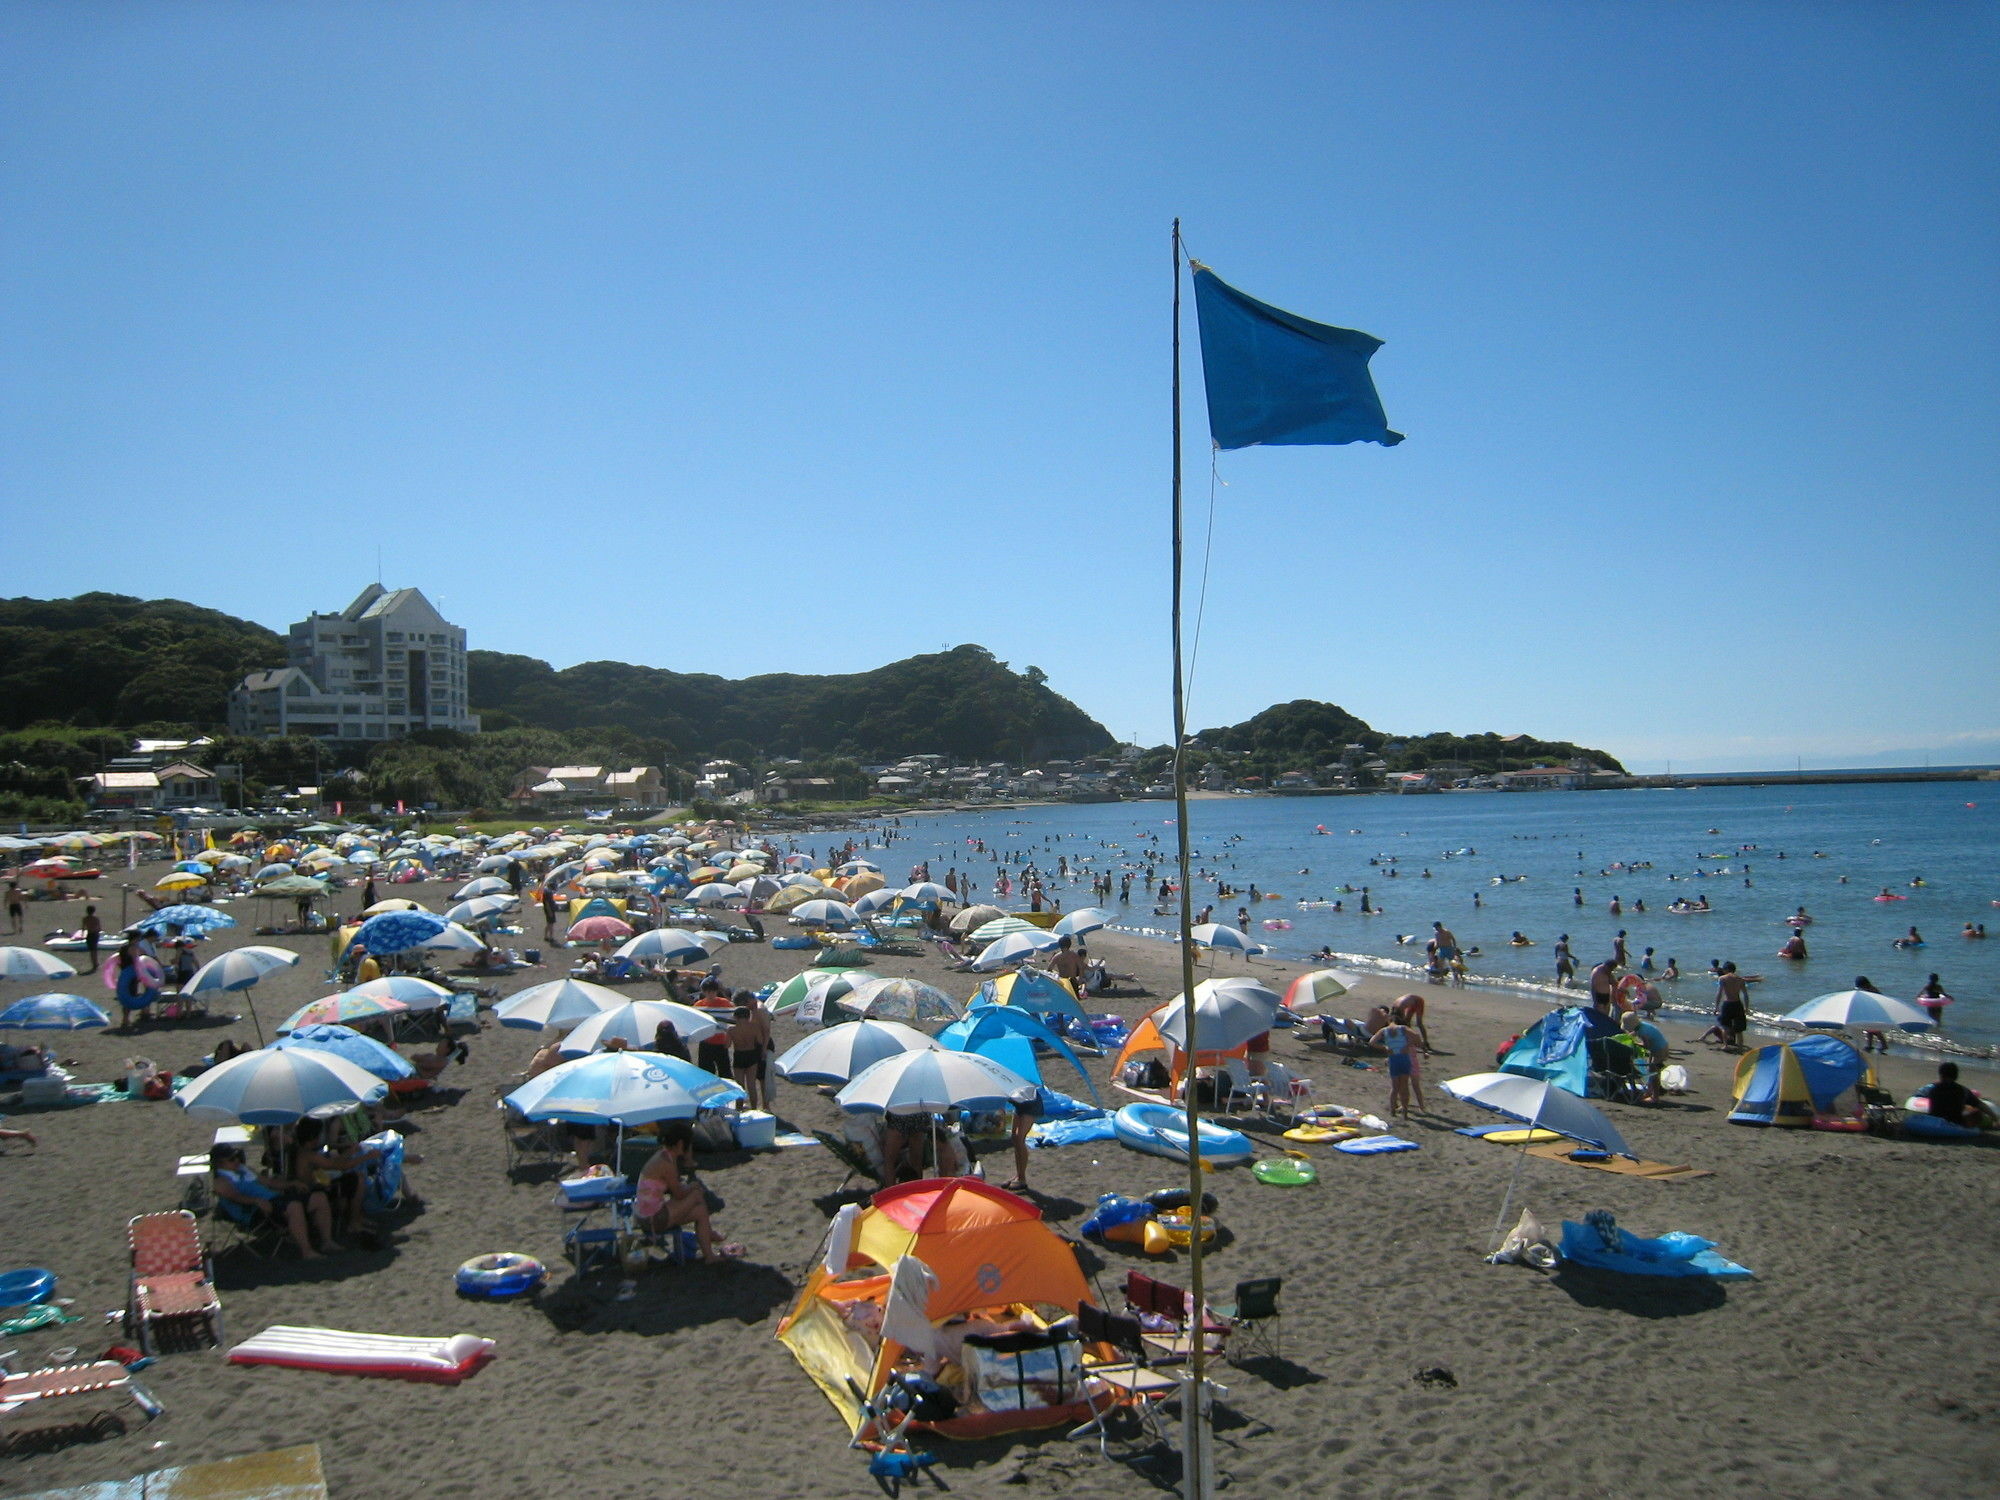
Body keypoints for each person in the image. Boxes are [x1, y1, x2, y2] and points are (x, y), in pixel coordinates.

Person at [633, 1120, 741, 1261]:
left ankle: (709, 1255)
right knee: (696, 1194)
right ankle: (709, 1234)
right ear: (680, 1144)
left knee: (700, 1211)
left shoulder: (663, 1155)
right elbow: (678, 1194)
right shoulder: (666, 1163)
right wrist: (692, 1187)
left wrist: (690, 1187)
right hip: (652, 1219)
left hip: (646, 1214)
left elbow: (675, 1192)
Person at [210, 1142, 335, 1259]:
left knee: (319, 1198)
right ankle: (306, 1251)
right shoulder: (221, 1180)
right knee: (293, 1206)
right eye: (231, 1159)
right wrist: (256, 1201)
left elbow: (269, 1182)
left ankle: (327, 1242)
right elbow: (234, 1197)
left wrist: (291, 1183)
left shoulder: (244, 1170)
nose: (237, 1160)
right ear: (219, 1163)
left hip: (273, 1200)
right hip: (253, 1210)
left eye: (237, 1156)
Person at [1369, 1011, 1424, 1119]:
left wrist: (1385, 1048)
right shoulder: (1403, 1029)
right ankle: (1405, 1112)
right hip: (1404, 1058)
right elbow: (1417, 1037)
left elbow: (1372, 1042)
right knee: (1404, 1086)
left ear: (1389, 1021)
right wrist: (1408, 1045)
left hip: (1393, 1058)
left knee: (1395, 1087)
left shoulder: (1384, 1031)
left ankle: (1392, 1111)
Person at [1619, 1011, 1669, 1102]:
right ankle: (1649, 1092)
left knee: (1653, 1072)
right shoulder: (1642, 1025)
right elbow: (1635, 1032)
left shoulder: (1642, 1032)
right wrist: (1628, 1036)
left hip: (1659, 1050)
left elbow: (1647, 1046)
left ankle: (1655, 1096)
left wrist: (1635, 1043)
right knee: (1651, 1070)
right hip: (1661, 1046)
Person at [727, 1003, 765, 1110]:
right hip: (751, 1055)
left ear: (736, 1017)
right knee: (751, 1085)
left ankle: (738, 1109)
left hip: (739, 1055)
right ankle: (754, 1109)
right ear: (748, 1016)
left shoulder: (731, 1030)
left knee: (739, 1086)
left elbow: (727, 1045)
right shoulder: (754, 1028)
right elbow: (760, 1041)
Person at [1003, 1090, 1042, 1192]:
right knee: (1014, 1138)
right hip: (1019, 1105)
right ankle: (1018, 1174)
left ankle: (1022, 1179)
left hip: (1031, 1104)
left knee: (1020, 1139)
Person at [1923, 1063, 1982, 1129]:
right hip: (1955, 1122)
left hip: (1934, 1120)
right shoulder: (1962, 1090)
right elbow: (1979, 1105)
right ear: (1956, 1076)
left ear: (1940, 1075)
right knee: (1976, 1111)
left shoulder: (1933, 1088)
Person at [1714, 962, 1750, 1050]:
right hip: (1737, 1004)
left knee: (1725, 1026)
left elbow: (1719, 993)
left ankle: (1726, 1045)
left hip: (1727, 1003)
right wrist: (1746, 1007)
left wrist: (1716, 1006)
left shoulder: (1722, 978)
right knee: (1739, 1029)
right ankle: (1740, 1047)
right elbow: (1745, 994)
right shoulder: (1740, 979)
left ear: (1726, 969)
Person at [82, 904, 102, 968]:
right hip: (95, 934)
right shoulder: (96, 918)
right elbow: (99, 927)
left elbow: (83, 928)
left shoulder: (85, 919)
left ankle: (94, 963)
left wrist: (82, 935)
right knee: (95, 949)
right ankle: (96, 963)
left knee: (91, 950)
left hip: (89, 934)